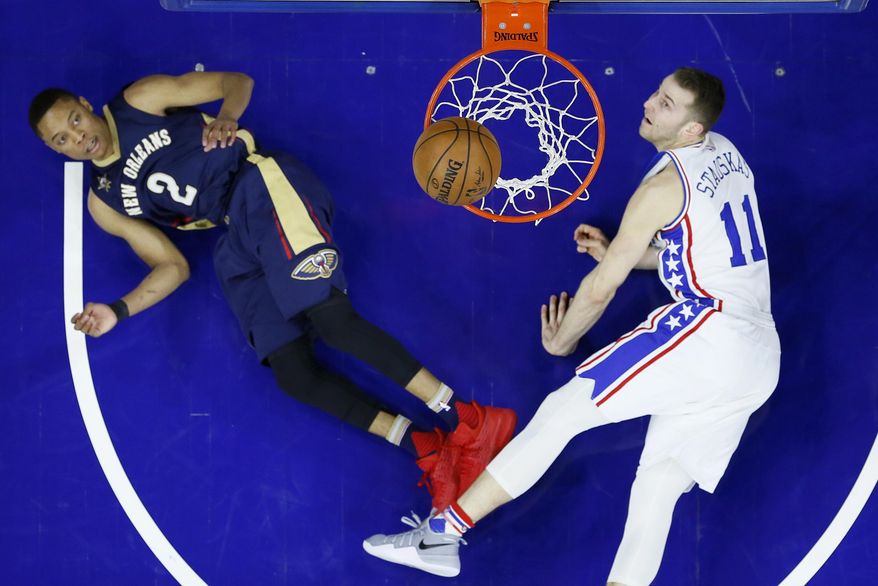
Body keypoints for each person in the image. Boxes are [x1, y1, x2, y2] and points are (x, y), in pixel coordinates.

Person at [362, 67, 781, 584]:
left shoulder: (664, 187)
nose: (650, 103)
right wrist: (623, 253)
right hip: (759, 359)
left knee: (565, 409)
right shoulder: (725, 152)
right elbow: (706, 248)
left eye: (667, 104)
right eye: (657, 91)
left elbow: (602, 288)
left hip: (713, 332)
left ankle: (441, 535)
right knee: (657, 489)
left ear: (692, 130)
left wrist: (563, 338)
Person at [29, 71, 516, 508]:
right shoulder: (105, 203)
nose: (77, 137)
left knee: (332, 321)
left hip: (259, 185)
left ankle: (470, 419)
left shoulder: (139, 100)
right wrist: (119, 310)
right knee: (294, 374)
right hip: (231, 237)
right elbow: (172, 266)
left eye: (74, 120)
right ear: (57, 151)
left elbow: (236, 81)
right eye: (61, 140)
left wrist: (226, 116)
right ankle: (428, 448)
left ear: (85, 104)